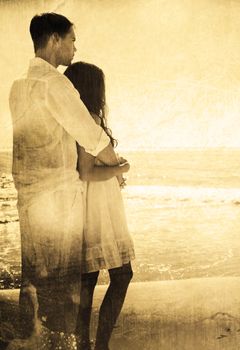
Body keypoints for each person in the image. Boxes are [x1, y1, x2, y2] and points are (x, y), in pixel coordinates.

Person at [9, 12, 129, 348]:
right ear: (54, 40)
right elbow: (92, 137)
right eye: (72, 39)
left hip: (29, 198)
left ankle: (33, 340)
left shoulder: (19, 86)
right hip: (59, 199)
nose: (75, 47)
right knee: (67, 284)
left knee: (35, 276)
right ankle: (69, 345)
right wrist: (119, 166)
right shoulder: (55, 84)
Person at [63, 62, 135, 350]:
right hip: (98, 208)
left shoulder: (74, 119)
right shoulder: (89, 119)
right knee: (121, 274)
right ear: (94, 89)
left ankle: (83, 344)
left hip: (86, 204)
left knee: (88, 278)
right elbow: (87, 171)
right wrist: (123, 167)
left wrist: (114, 171)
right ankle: (99, 345)